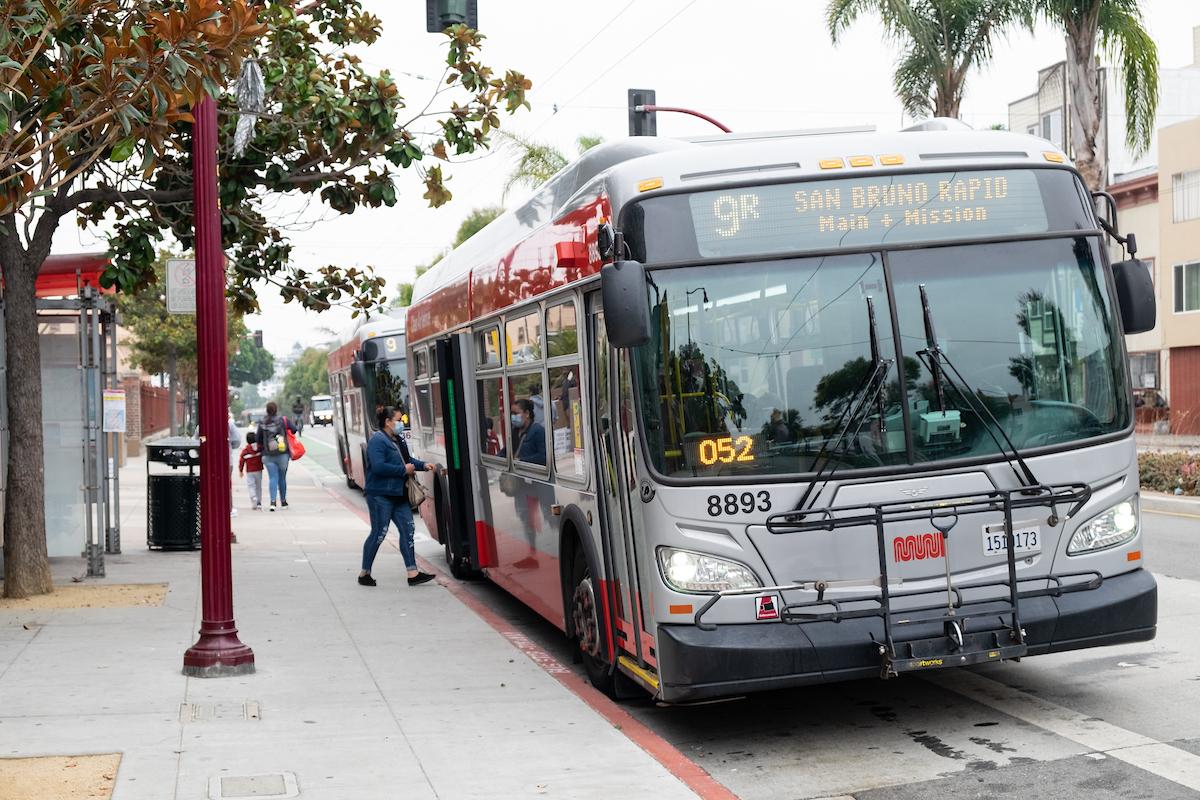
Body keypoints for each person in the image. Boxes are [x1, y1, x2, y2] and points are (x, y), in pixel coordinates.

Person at [359, 405, 438, 587]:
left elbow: (408, 461)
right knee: (379, 533)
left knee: (408, 531)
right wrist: (402, 470)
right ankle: (365, 573)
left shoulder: (398, 439)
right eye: (399, 420)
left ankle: (413, 573)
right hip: (381, 495)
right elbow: (378, 467)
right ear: (387, 422)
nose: (402, 423)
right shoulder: (378, 441)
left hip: (399, 494)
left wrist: (424, 465)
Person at [256, 401, 298, 511]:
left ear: (267, 410)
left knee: (272, 478)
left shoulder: (262, 422)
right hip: (282, 453)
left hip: (268, 454)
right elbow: (294, 429)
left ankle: (272, 502)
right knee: (282, 478)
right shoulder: (283, 420)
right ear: (276, 409)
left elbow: (258, 439)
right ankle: (283, 502)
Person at [510, 398, 546, 466]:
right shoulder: (515, 431)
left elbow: (543, 457)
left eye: (516, 413)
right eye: (512, 414)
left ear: (527, 413)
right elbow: (506, 450)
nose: (513, 417)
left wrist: (521, 461)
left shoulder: (538, 430)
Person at [238, 432, 264, 510]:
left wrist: (241, 470)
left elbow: (241, 460)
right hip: (259, 470)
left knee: (251, 485)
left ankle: (253, 497)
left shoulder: (246, 450)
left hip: (250, 471)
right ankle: (259, 502)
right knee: (258, 486)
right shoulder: (260, 447)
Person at [227, 413, 241, 518]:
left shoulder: (201, 424)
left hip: (208, 459)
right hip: (227, 460)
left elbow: (196, 440)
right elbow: (237, 440)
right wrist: (230, 446)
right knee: (227, 485)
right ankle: (229, 508)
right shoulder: (229, 424)